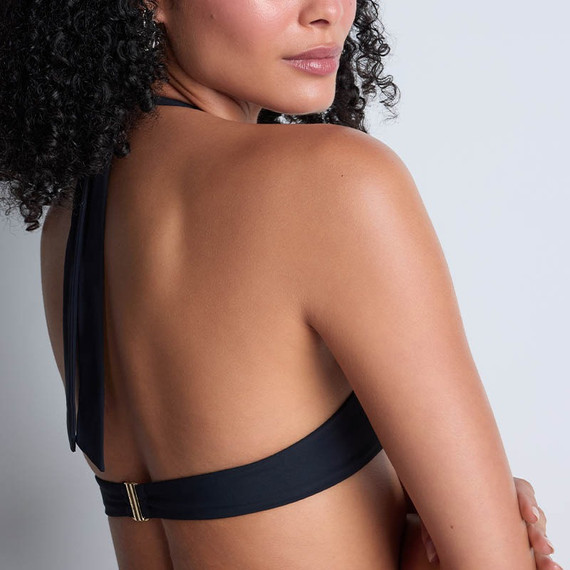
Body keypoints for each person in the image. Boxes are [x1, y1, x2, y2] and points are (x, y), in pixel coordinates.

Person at [0, 0, 563, 568]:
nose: (329, 10)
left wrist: (406, 510)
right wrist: (485, 522)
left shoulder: (69, 225)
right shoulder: (330, 182)